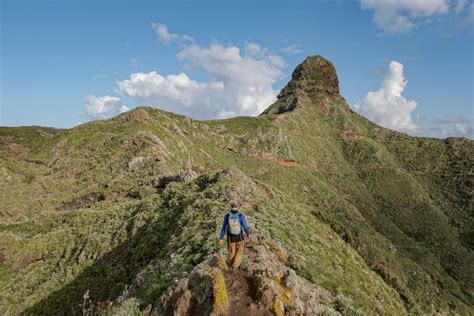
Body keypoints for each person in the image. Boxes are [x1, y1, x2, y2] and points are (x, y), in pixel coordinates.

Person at [219, 200, 250, 269]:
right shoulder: (240, 216)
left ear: (230, 207)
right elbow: (245, 226)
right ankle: (235, 267)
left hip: (231, 239)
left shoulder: (227, 216)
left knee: (231, 253)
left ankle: (230, 266)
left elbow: (223, 228)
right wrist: (248, 234)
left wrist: (221, 238)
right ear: (237, 207)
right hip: (240, 238)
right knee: (239, 253)